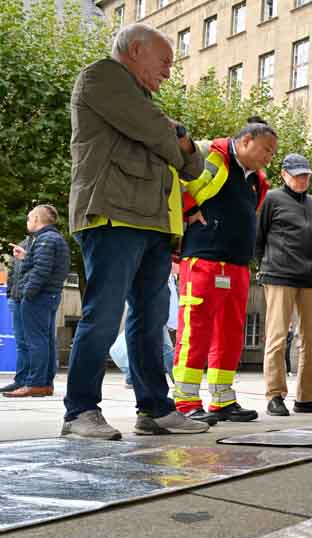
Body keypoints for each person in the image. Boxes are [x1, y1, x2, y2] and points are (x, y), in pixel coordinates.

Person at [63, 24, 208, 439]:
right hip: (112, 216)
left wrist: (179, 142)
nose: (168, 72)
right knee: (103, 316)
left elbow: (192, 165)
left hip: (151, 223)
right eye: (164, 61)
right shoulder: (102, 77)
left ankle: (155, 409)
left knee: (150, 321)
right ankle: (79, 412)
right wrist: (175, 136)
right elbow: (162, 137)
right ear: (136, 49)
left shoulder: (143, 101)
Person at [172, 117, 277, 423]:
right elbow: (175, 180)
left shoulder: (255, 179)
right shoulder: (209, 156)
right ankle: (186, 400)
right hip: (203, 258)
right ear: (245, 141)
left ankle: (222, 398)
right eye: (266, 149)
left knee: (230, 332)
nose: (269, 157)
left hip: (236, 264)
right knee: (196, 329)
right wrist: (189, 210)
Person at [255, 153, 312, 417]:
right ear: (284, 175)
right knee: (278, 337)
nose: (302, 180)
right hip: (279, 275)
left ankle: (307, 397)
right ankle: (275, 395)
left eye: (306, 175)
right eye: (297, 175)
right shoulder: (271, 199)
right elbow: (258, 236)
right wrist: (264, 266)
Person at [4, 205, 69, 398]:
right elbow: (40, 265)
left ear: (36, 220)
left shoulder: (45, 240)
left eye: (29, 219)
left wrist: (27, 293)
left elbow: (41, 271)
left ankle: (36, 383)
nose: (27, 222)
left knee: (36, 341)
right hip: (47, 296)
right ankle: (44, 383)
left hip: (38, 297)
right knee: (45, 340)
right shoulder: (52, 239)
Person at [109, 264, 179, 387]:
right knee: (165, 347)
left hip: (155, 311)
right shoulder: (161, 270)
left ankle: (132, 376)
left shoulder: (169, 276)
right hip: (153, 309)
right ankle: (178, 380)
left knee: (159, 345)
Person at [1, 232, 34, 394]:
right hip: (15, 299)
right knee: (21, 343)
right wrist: (9, 295)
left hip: (29, 299)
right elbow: (13, 272)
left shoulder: (44, 243)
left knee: (32, 342)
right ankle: (20, 380)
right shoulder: (22, 242)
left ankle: (35, 381)